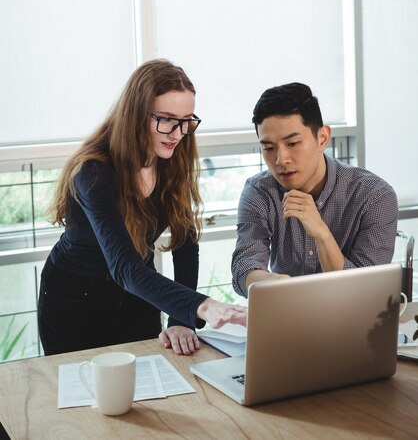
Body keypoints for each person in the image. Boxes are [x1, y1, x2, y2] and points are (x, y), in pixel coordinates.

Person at [38, 59, 246, 356]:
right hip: (76, 300)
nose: (177, 133)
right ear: (135, 116)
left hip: (137, 293)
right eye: (166, 119)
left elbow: (185, 243)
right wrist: (203, 306)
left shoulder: (172, 159)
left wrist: (181, 319)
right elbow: (124, 267)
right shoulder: (94, 173)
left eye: (187, 120)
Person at [231, 82, 398, 297]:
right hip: (288, 316)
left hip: (354, 321)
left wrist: (321, 233)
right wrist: (271, 283)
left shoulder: (374, 196)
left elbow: (364, 293)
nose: (281, 159)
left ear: (322, 138)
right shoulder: (259, 192)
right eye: (269, 148)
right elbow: (245, 265)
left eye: (292, 143)